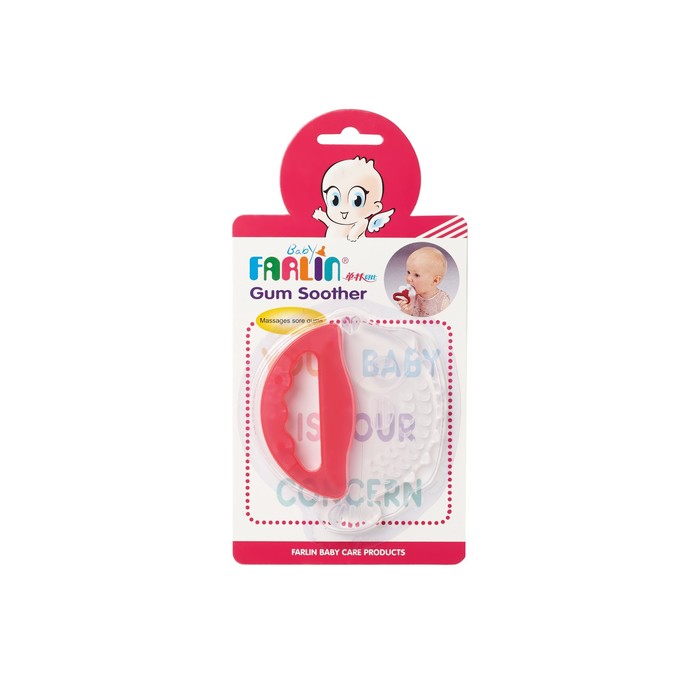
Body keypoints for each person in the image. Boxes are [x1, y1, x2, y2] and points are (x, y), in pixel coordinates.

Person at [397, 246, 450, 316]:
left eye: (416, 275)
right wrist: (406, 311)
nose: (409, 278)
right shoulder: (411, 297)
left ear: (435, 280)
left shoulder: (442, 302)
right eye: (408, 272)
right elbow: (404, 319)